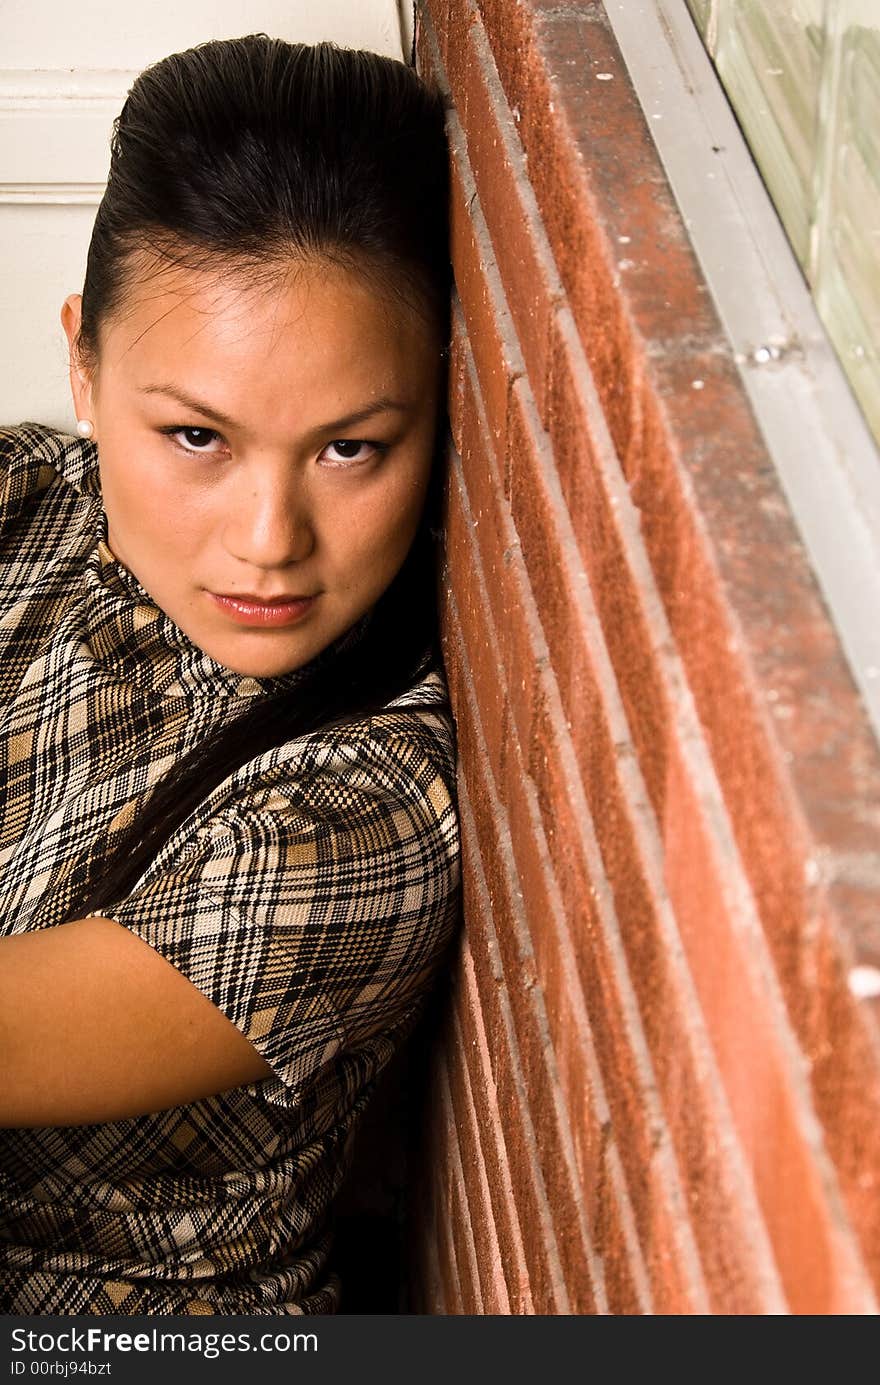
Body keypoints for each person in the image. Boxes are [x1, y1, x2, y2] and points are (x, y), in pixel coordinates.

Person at [0, 34, 459, 1315]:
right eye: (195, 434)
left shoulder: (365, 809)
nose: (269, 537)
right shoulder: (30, 500)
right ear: (84, 363)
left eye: (351, 447)